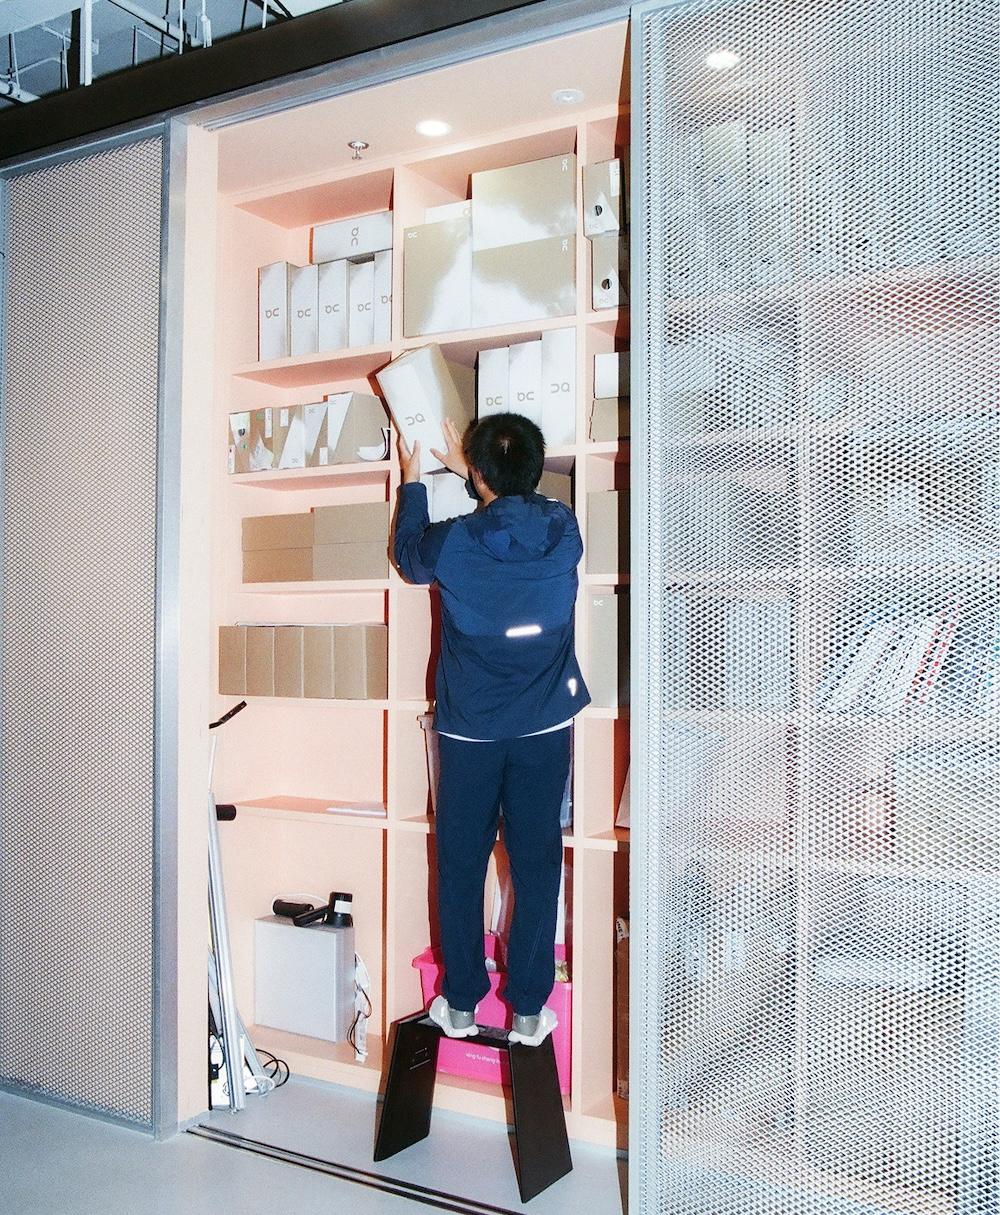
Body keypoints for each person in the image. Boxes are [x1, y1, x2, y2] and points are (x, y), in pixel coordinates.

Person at [394, 412, 589, 1046]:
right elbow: (514, 501)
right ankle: (530, 1010)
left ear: (476, 474)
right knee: (536, 865)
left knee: (461, 864)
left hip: (471, 731)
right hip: (543, 730)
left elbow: (409, 558)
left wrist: (415, 477)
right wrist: (478, 470)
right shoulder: (565, 529)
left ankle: (460, 1003)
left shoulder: (454, 542)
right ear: (537, 469)